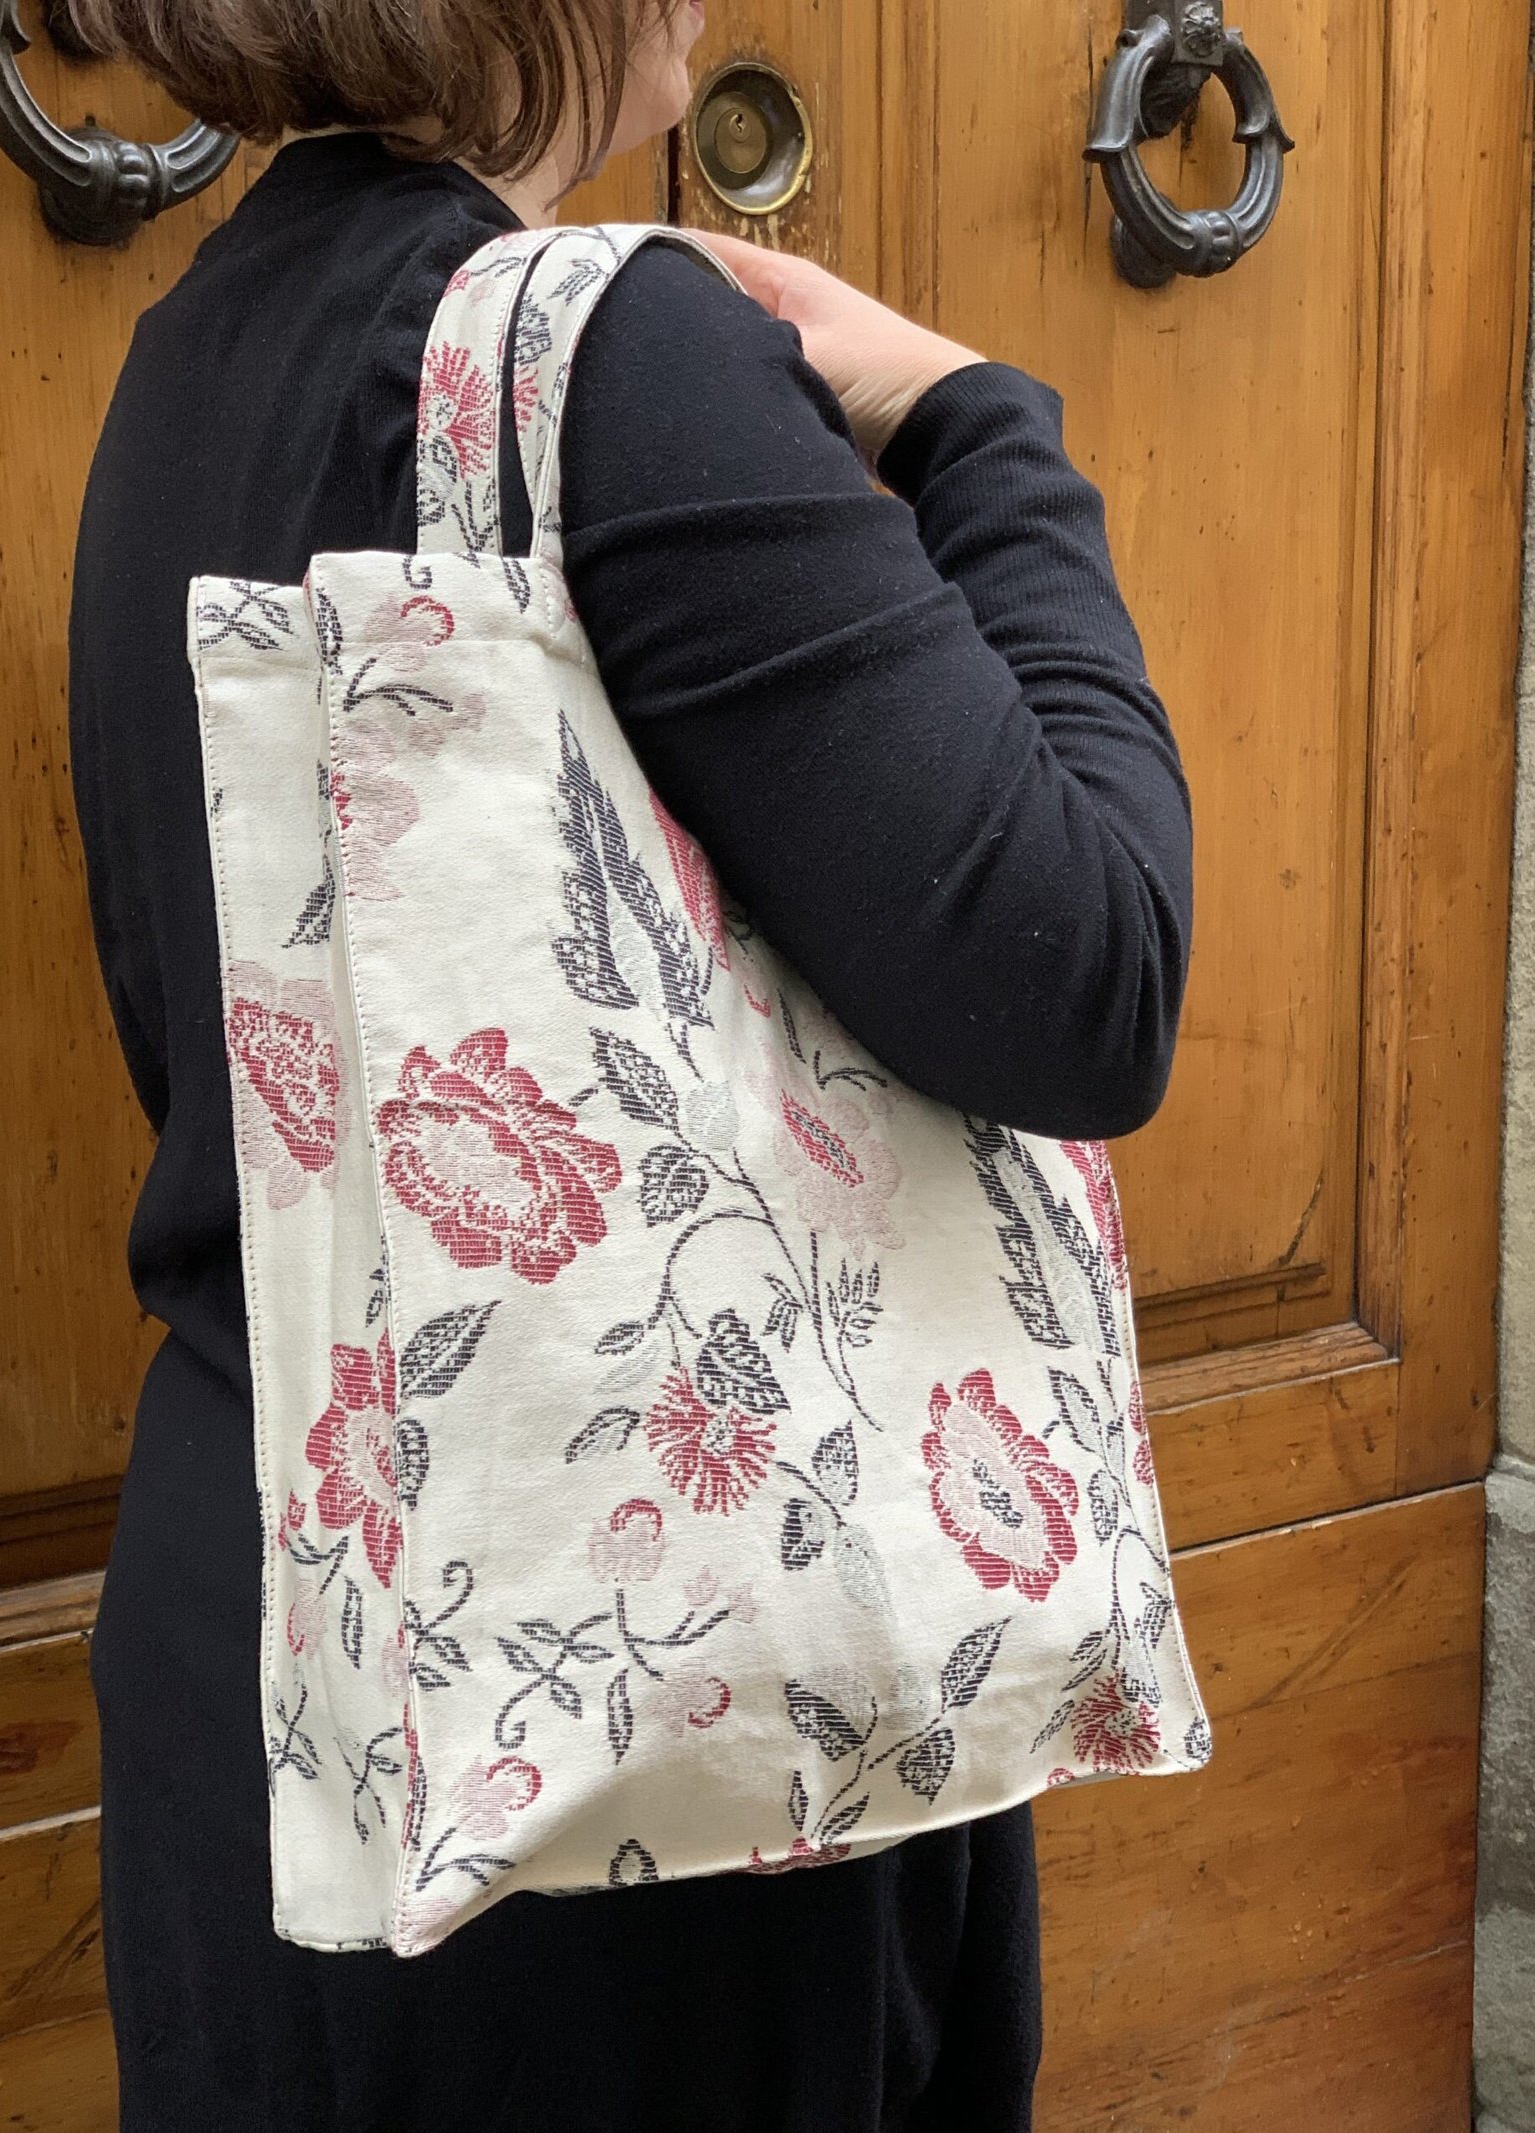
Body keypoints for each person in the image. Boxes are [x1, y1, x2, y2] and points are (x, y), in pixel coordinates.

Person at [66, 1, 1191, 2125]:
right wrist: (979, 423)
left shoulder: (194, 350)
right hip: (639, 1756)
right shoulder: (618, 358)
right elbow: (1087, 973)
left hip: (282, 1661)